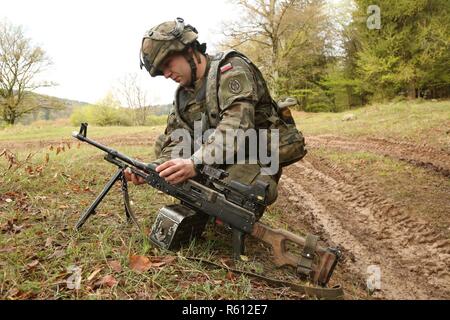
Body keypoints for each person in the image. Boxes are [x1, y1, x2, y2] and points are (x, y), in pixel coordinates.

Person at [125, 17, 294, 216]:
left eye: (168, 63)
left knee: (236, 195)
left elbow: (235, 127)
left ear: (188, 50)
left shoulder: (231, 69)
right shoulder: (183, 96)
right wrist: (154, 169)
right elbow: (177, 139)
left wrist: (195, 163)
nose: (168, 74)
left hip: (257, 151)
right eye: (162, 72)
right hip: (219, 154)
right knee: (165, 148)